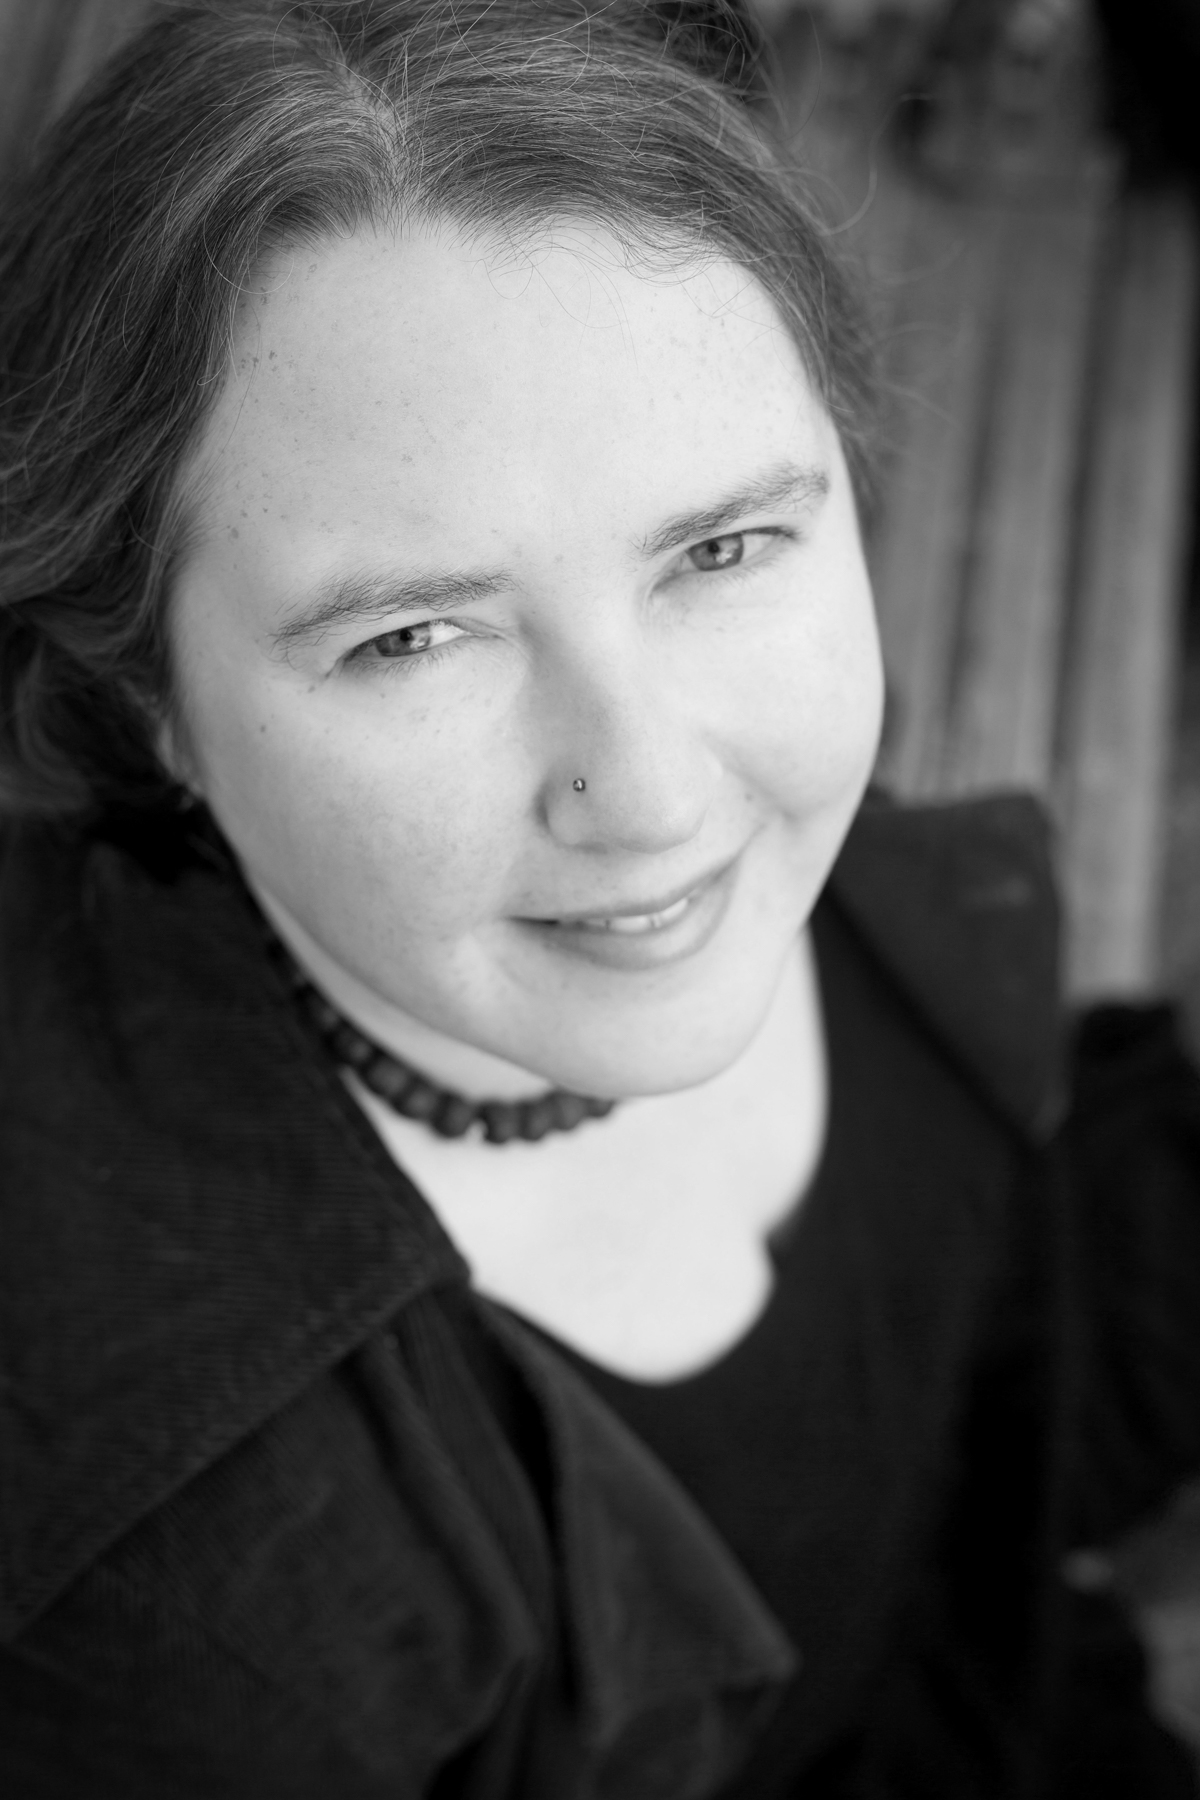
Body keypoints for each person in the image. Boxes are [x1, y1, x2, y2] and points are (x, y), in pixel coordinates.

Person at [1, 2, 1199, 1795]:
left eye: (720, 549)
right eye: (414, 638)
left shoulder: (845, 925)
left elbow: (953, 1391)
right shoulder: (186, 1629)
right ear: (147, 700)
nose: (652, 794)